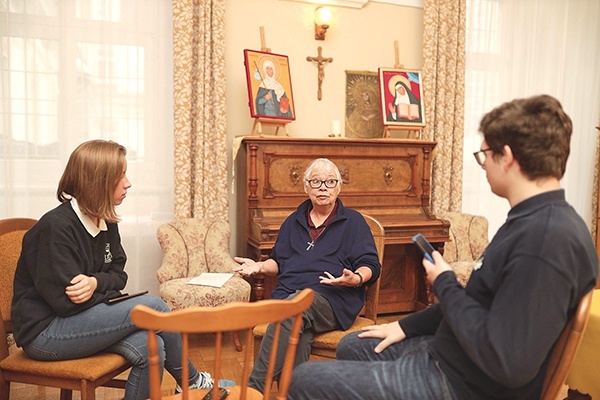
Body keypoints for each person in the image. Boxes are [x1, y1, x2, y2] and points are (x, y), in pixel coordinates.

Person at [288, 94, 599, 400]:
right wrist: (404, 326)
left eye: (484, 155)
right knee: (353, 344)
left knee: (304, 379)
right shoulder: (532, 221)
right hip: (452, 354)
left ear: (507, 156)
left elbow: (508, 362)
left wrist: (445, 283)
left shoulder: (544, 241)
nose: (483, 165)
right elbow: (481, 304)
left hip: (456, 383)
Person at [11, 140, 233, 400]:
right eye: (120, 176)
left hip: (80, 317)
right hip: (45, 332)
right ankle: (192, 381)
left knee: (152, 345)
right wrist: (108, 291)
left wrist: (95, 284)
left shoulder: (106, 220)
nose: (128, 183)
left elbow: (119, 275)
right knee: (155, 307)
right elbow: (67, 304)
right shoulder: (55, 229)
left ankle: (190, 382)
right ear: (97, 181)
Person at [233, 158, 381, 394]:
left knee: (296, 308)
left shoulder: (354, 222)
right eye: (316, 182)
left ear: (339, 188)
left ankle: (253, 390)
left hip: (332, 297)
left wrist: (357, 278)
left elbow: (371, 264)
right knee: (298, 327)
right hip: (290, 298)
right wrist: (260, 267)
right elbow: (278, 261)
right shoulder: (293, 221)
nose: (323, 187)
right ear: (306, 188)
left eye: (330, 182)